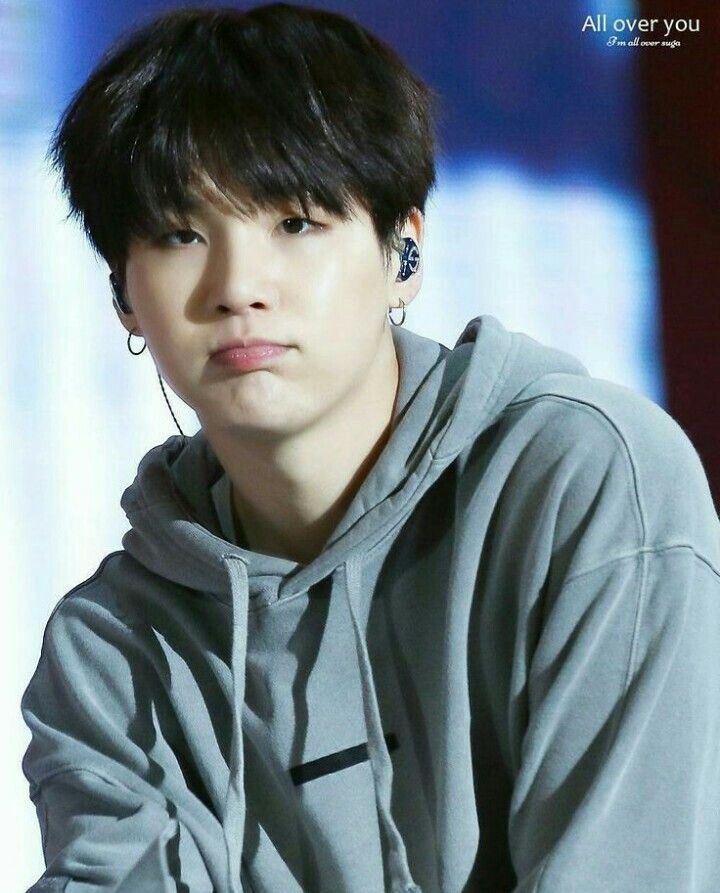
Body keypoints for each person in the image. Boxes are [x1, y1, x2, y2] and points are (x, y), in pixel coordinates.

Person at [20, 4, 720, 892]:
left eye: (296, 223)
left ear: (404, 253)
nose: (238, 287)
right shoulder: (111, 652)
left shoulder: (585, 482)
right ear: (123, 294)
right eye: (179, 234)